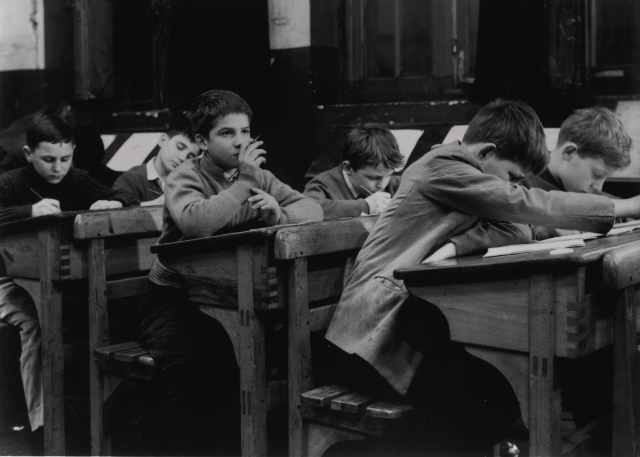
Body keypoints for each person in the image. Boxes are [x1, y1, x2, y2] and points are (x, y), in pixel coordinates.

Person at [324, 99, 640, 455]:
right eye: (511, 179)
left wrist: (459, 245)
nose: (514, 188)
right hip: (368, 337)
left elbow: (520, 228)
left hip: (407, 327)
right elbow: (521, 205)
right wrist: (625, 206)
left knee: (497, 386)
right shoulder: (442, 166)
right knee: (488, 389)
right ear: (487, 152)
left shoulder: (469, 173)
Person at [138, 89, 322, 454]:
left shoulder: (259, 176)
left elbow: (312, 209)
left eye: (246, 131)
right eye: (227, 133)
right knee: (192, 368)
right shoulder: (185, 176)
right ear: (201, 141)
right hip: (176, 299)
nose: (241, 142)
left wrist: (278, 215)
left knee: (263, 363)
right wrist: (245, 185)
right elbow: (196, 222)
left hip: (232, 294)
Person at [0, 113, 135, 453]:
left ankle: (95, 422)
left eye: (65, 158)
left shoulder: (78, 179)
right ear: (29, 154)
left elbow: (123, 196)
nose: (58, 167)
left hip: (61, 281)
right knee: (36, 326)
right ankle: (43, 425)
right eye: (48, 159)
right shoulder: (10, 182)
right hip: (9, 283)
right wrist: (28, 212)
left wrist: (113, 202)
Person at [432, 105, 633, 259]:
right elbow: (528, 207)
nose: (598, 187)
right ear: (569, 152)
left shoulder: (587, 191)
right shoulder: (518, 181)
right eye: (597, 174)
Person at [303, 123, 404, 219]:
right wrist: (364, 206)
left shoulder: (396, 185)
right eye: (373, 178)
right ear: (348, 168)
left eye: (388, 175)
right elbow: (306, 210)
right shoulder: (323, 185)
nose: (382, 185)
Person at [112, 121, 200, 206]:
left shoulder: (189, 184)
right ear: (163, 140)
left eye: (190, 157)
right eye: (180, 147)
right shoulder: (131, 179)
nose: (183, 158)